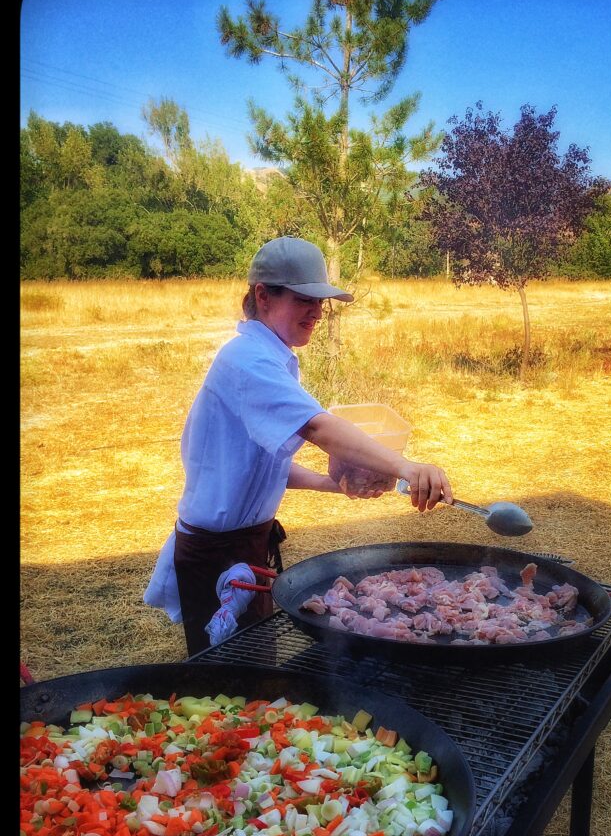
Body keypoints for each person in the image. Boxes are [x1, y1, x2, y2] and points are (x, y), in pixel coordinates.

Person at [144, 236, 453, 656]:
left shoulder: (273, 358)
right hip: (215, 553)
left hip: (246, 544)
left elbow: (258, 466)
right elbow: (318, 427)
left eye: (321, 301)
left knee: (254, 668)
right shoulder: (247, 360)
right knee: (229, 681)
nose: (316, 311)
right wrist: (407, 468)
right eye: (304, 298)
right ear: (262, 296)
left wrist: (333, 486)